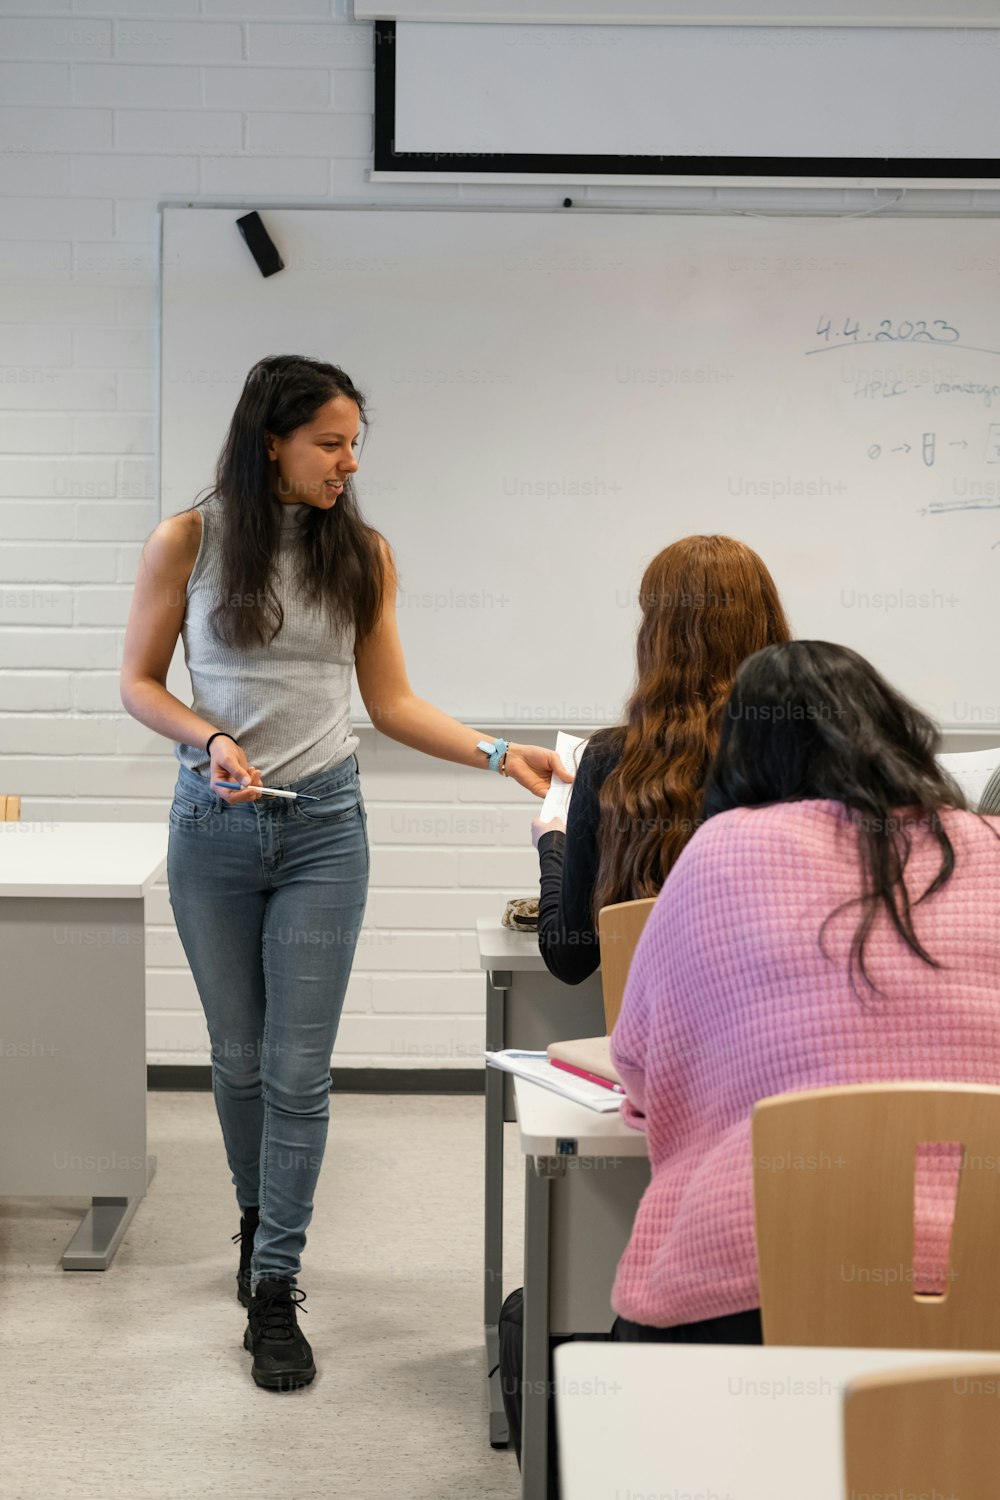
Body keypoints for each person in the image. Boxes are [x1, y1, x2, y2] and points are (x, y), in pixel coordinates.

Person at [119, 354, 570, 1392]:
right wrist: (208, 735)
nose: (348, 460)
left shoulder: (362, 554)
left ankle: (275, 1286)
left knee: (297, 1069)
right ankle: (255, 1216)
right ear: (269, 438)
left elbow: (394, 703)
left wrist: (502, 756)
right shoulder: (185, 542)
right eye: (330, 441)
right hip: (214, 828)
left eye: (355, 441)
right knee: (235, 1058)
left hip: (324, 828)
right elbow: (140, 684)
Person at [609, 639, 1000, 1343]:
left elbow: (639, 1062)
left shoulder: (724, 848)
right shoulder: (991, 846)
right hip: (983, 1259)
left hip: (764, 1268)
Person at [531, 535, 791, 983]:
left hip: (651, 1046)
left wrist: (551, 844)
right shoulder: (805, 751)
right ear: (767, 628)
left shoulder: (612, 760)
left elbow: (569, 957)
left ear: (659, 636)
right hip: (785, 1038)